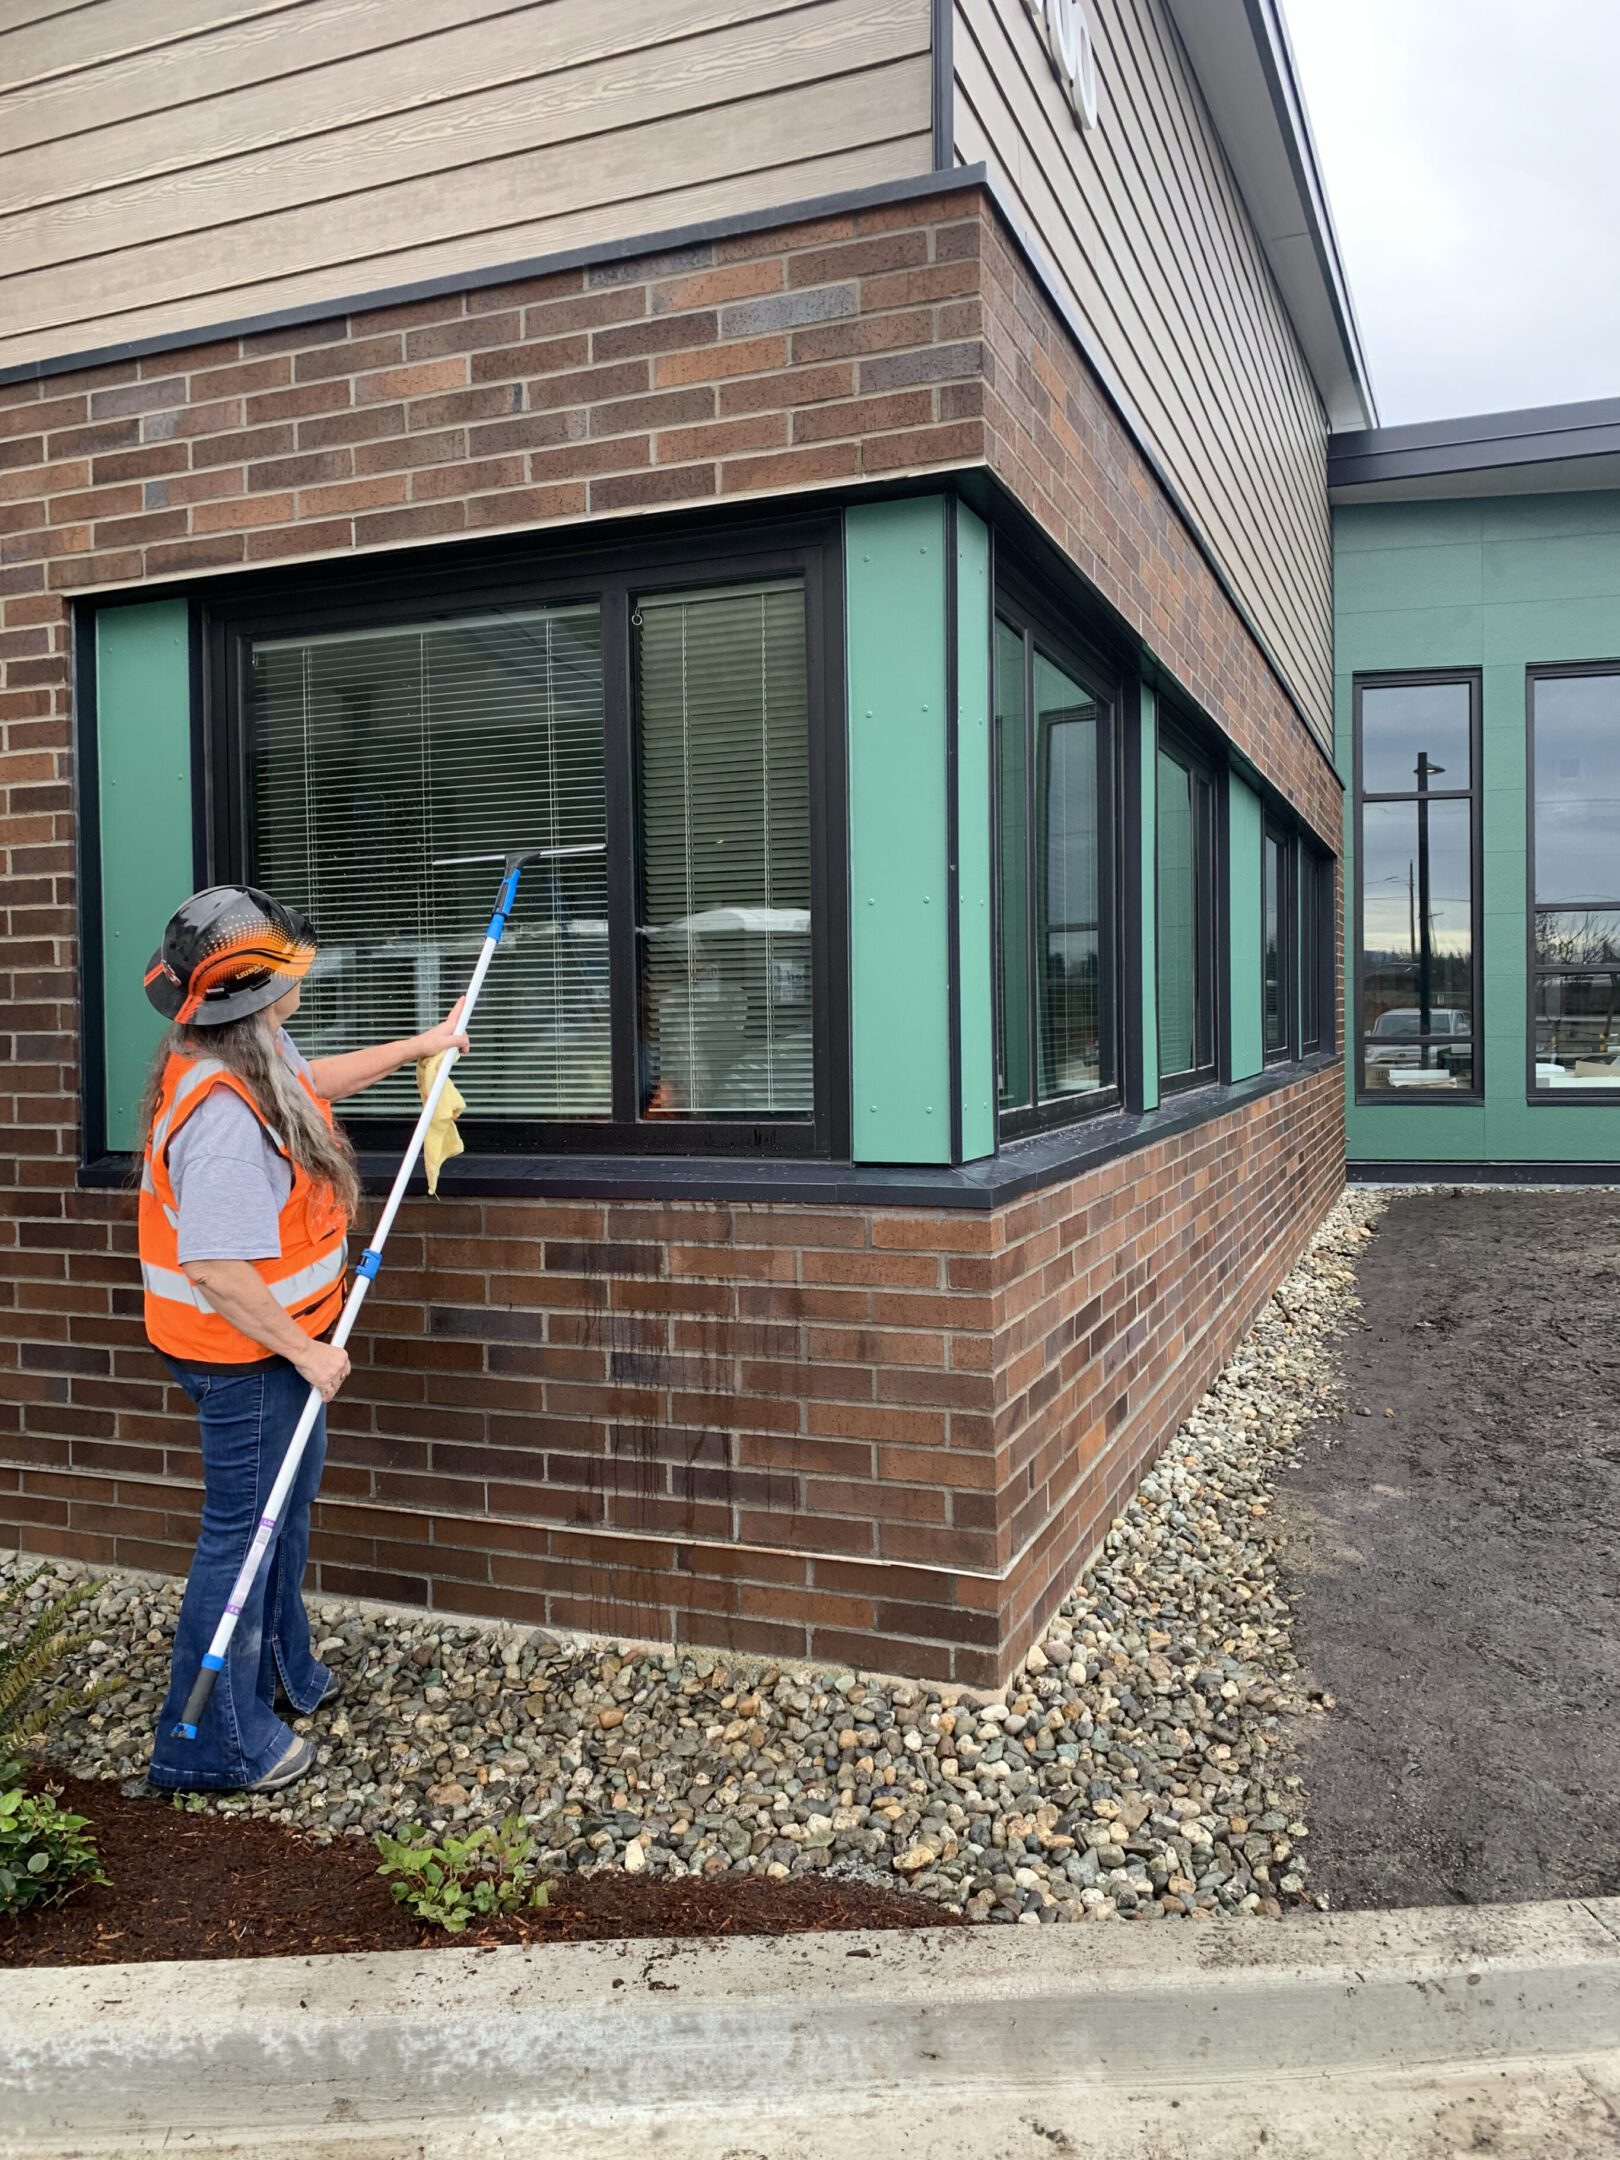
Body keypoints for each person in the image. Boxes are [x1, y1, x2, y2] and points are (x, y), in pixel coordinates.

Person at [138, 885, 468, 1795]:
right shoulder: (220, 1120)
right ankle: (208, 1745)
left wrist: (422, 1049)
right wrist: (306, 1350)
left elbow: (307, 1083)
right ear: (252, 992)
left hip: (274, 1349)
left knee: (281, 1514)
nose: (301, 984)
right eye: (288, 972)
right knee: (241, 1535)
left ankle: (278, 1675)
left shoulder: (248, 1051)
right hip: (245, 1357)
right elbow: (216, 1269)